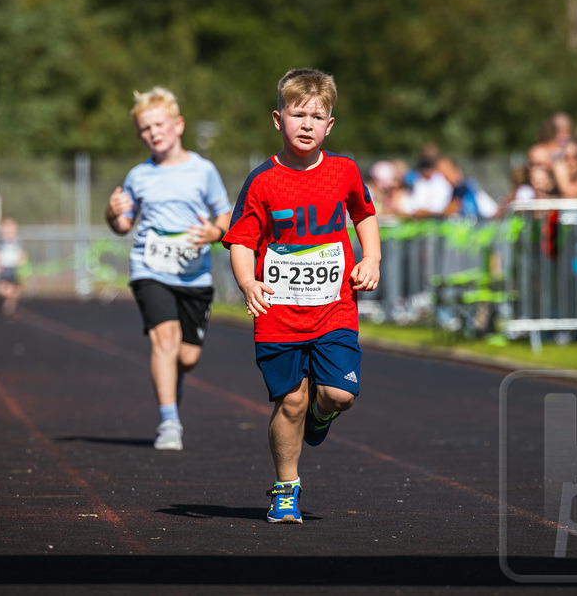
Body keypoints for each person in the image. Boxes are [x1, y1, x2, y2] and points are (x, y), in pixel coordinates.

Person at [223, 68, 380, 523]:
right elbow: (241, 241)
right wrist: (248, 283)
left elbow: (364, 213)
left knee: (339, 395)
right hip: (279, 311)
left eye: (316, 116)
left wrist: (371, 258)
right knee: (290, 401)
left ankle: (321, 414)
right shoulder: (262, 181)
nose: (307, 124)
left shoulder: (344, 170)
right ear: (278, 120)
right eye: (298, 115)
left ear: (329, 124)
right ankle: (285, 488)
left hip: (334, 307)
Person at [105, 86, 231, 452]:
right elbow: (123, 225)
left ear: (178, 125)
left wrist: (215, 233)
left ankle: (171, 387)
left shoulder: (203, 170)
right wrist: (111, 212)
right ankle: (169, 421)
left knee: (186, 357)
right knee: (165, 339)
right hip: (150, 267)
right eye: (145, 128)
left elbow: (224, 215)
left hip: (194, 273)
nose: (153, 133)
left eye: (159, 124)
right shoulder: (138, 176)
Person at [0, 217, 28, 320]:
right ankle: (0, 300)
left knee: (13, 293)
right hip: (3, 270)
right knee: (5, 290)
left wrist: (21, 263)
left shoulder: (18, 243)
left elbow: (23, 255)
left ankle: (9, 312)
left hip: (14, 270)